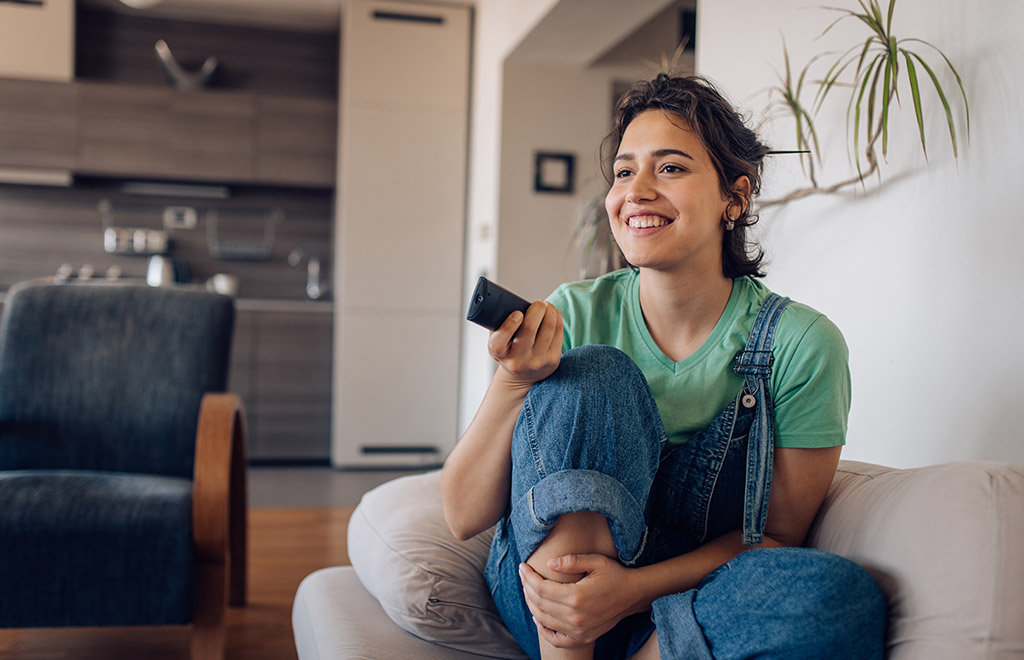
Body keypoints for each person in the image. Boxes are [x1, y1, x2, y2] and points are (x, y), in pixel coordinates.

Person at [440, 73, 886, 660]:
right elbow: (462, 514)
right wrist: (513, 379)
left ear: (737, 196)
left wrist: (629, 592)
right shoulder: (574, 311)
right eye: (625, 171)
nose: (637, 190)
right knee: (598, 374)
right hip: (551, 612)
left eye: (670, 168)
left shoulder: (800, 343)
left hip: (683, 600)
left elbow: (775, 537)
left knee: (841, 597)